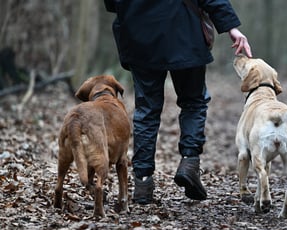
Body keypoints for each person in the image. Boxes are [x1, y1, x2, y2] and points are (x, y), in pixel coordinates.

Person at [104, 0, 252, 204]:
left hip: (141, 37)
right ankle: (190, 162)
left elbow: (113, 4)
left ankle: (143, 182)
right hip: (185, 33)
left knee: (146, 111)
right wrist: (231, 28)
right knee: (193, 102)